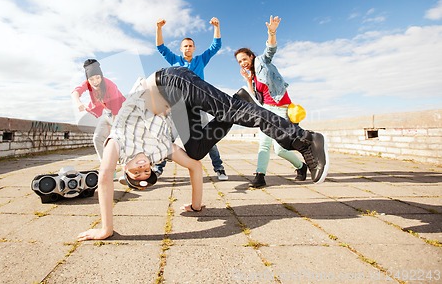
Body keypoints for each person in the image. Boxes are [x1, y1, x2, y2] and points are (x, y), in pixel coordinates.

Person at [77, 66, 329, 241]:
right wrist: (196, 205)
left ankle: (305, 140)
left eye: (136, 171)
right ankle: (242, 100)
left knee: (230, 110)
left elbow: (104, 178)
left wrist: (106, 228)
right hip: (177, 105)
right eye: (147, 171)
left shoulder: (118, 145)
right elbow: (194, 167)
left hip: (169, 81)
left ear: (125, 168)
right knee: (196, 151)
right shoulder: (160, 151)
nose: (143, 167)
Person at [234, 16, 308, 188]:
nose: (243, 63)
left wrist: (272, 32)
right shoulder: (252, 76)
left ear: (251, 56)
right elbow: (256, 98)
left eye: (244, 59)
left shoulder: (261, 61)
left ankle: (301, 166)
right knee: (265, 144)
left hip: (281, 107)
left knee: (280, 149)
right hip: (267, 109)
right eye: (239, 62)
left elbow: (270, 49)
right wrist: (247, 80)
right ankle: (260, 176)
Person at [153, 16, 228, 181]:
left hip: (198, 105)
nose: (188, 48)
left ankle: (219, 168)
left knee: (208, 137)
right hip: (178, 106)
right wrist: (159, 29)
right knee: (169, 138)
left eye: (190, 46)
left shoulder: (201, 60)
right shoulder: (176, 60)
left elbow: (216, 46)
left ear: (194, 48)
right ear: (181, 49)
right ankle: (158, 168)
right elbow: (161, 47)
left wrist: (217, 26)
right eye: (185, 46)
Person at [71, 59, 126, 180]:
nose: (95, 82)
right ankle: (108, 169)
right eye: (91, 79)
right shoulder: (87, 83)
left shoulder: (110, 86)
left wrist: (113, 132)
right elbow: (75, 92)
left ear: (101, 76)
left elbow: (116, 112)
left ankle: (128, 170)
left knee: (120, 140)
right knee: (97, 139)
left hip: (121, 113)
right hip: (107, 113)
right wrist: (78, 102)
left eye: (97, 78)